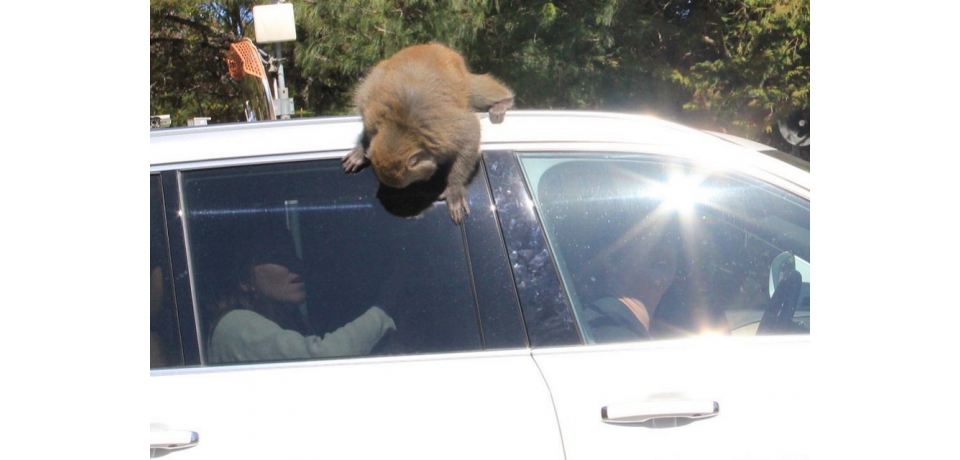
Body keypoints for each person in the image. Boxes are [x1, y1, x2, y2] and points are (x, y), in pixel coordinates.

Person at [206, 226, 396, 364]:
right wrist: (384, 310)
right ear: (245, 281)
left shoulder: (292, 321)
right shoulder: (236, 324)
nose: (296, 264)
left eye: (293, 255)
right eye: (279, 256)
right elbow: (323, 357)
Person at [576, 220, 679, 343]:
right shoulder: (602, 329)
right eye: (648, 234)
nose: (664, 246)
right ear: (611, 259)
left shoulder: (667, 334)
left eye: (669, 235)